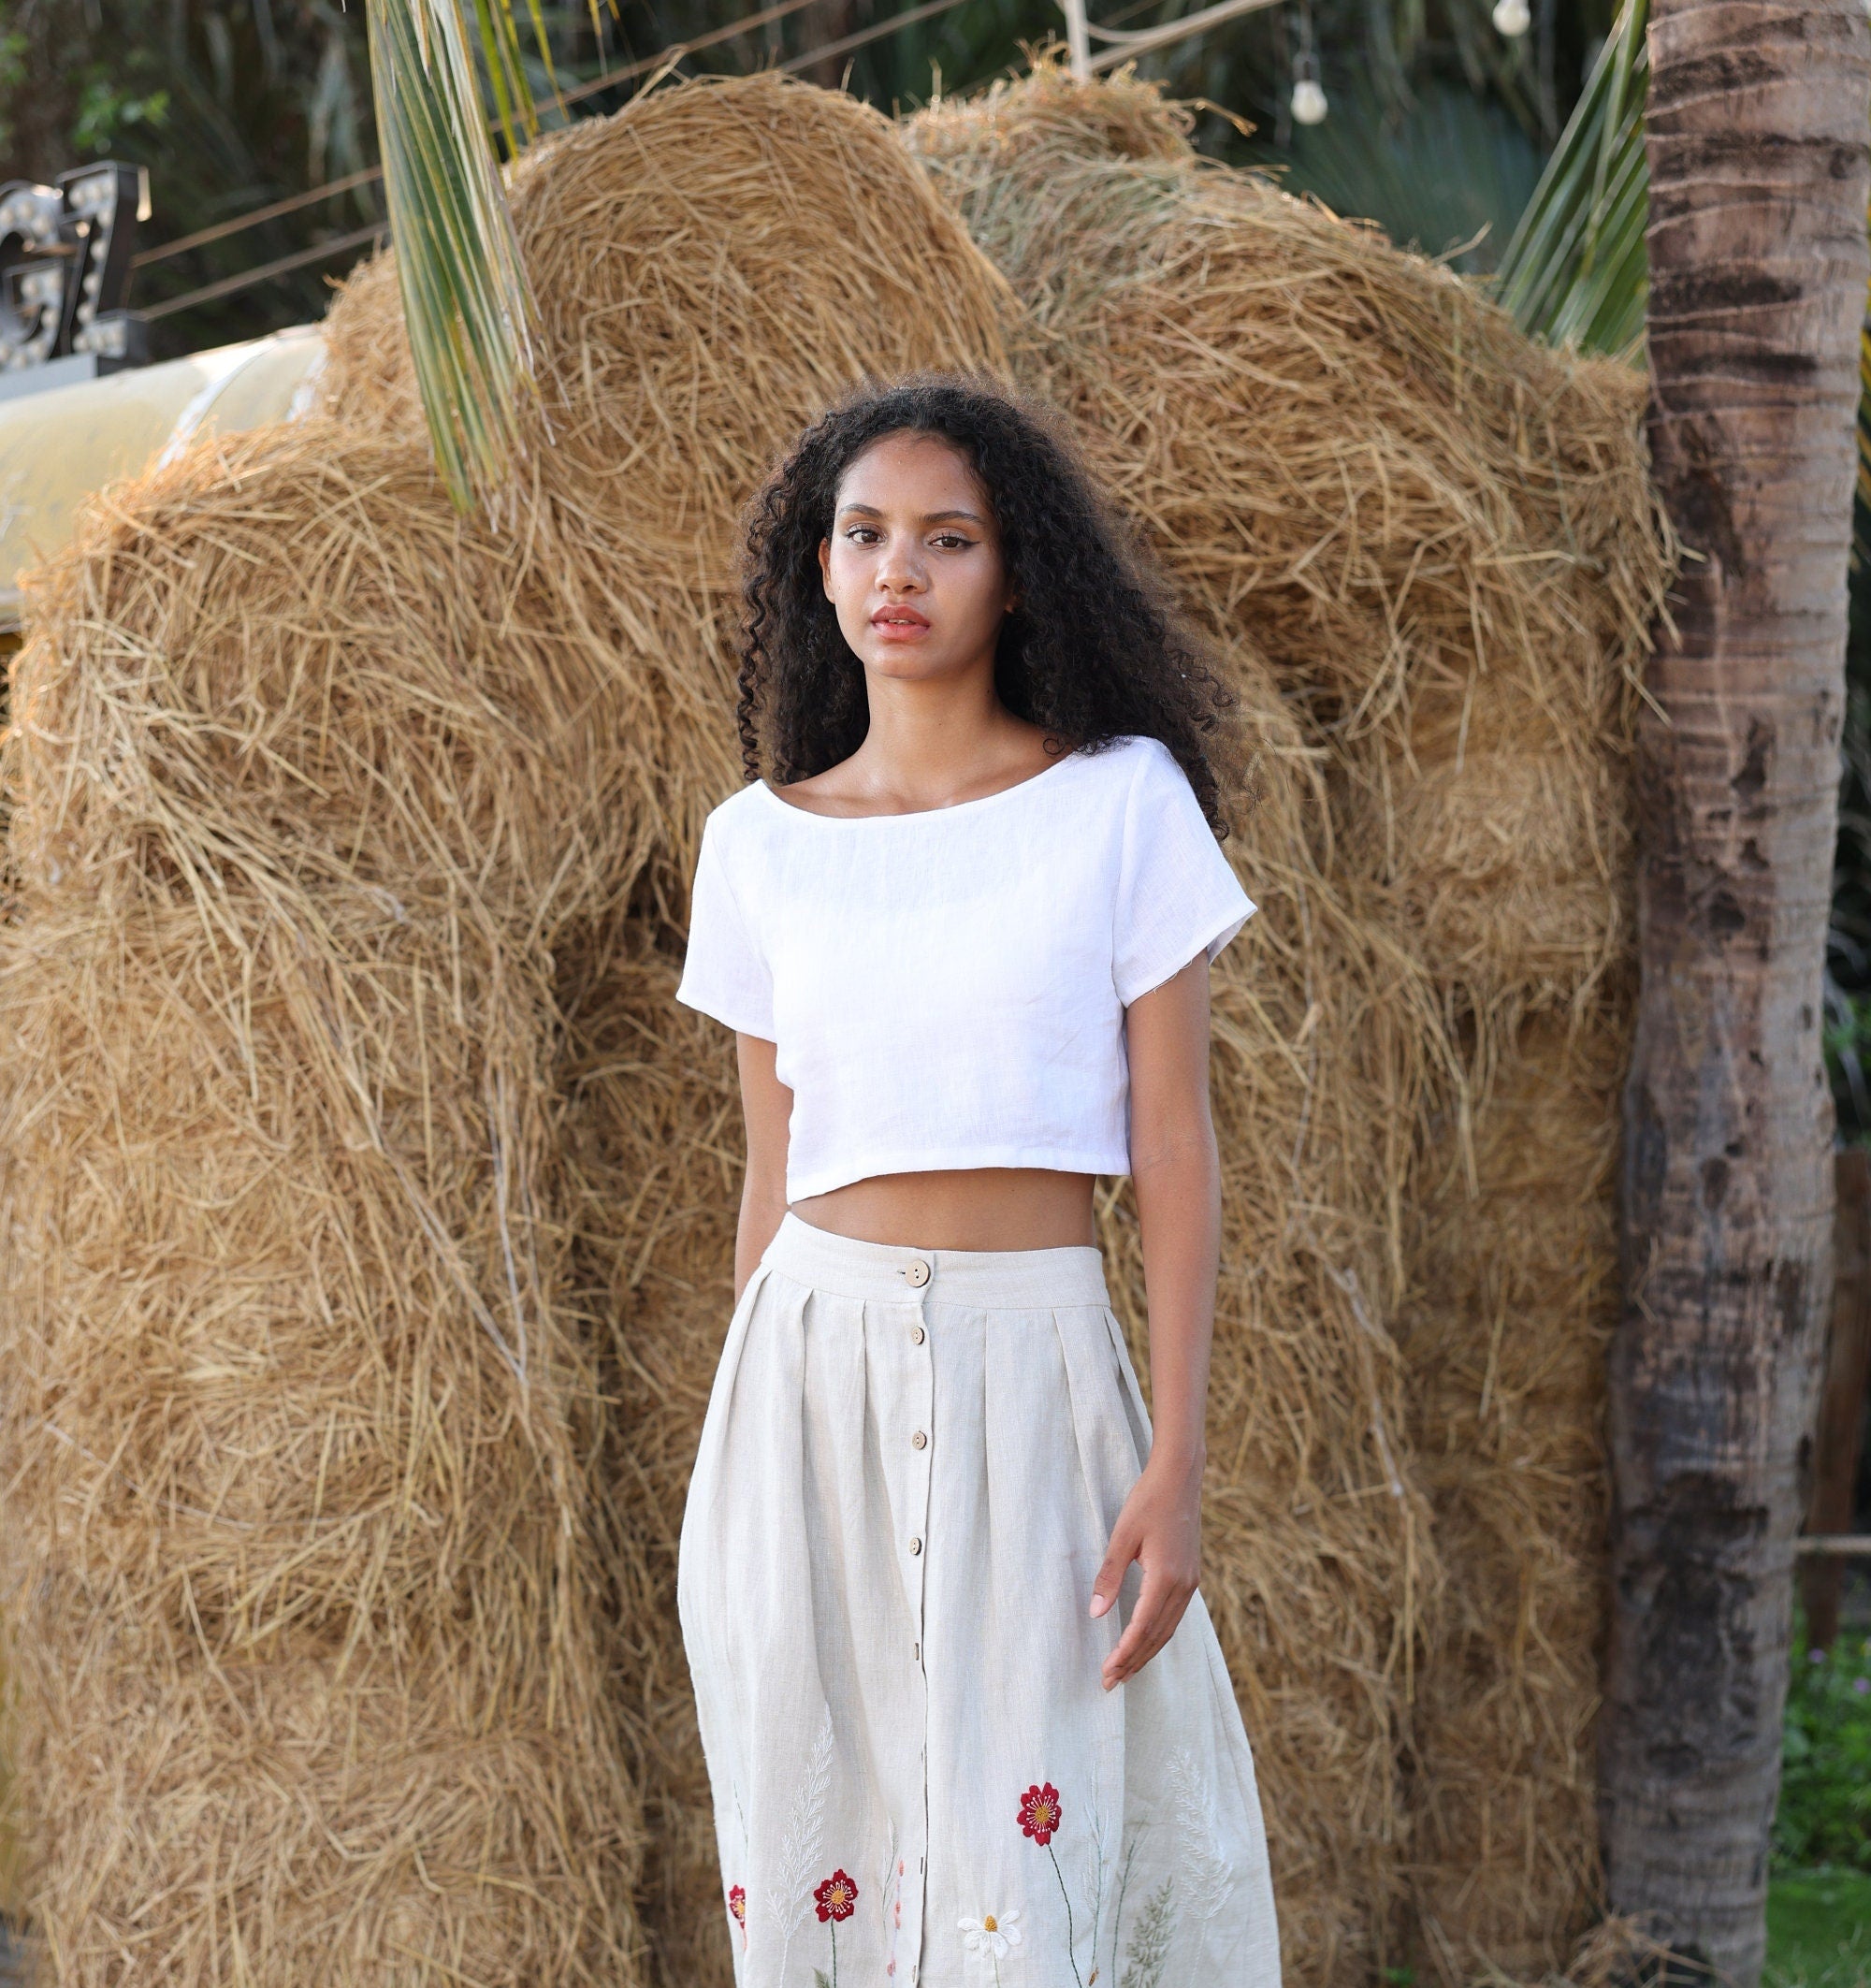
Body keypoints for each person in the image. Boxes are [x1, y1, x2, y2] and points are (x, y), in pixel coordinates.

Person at [674, 374, 1282, 1988]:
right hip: (806, 1386)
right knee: (836, 1857)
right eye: (865, 534)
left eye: (949, 538)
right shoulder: (757, 845)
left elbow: (1174, 1150)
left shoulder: (1120, 803)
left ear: (1016, 576)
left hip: (1041, 1378)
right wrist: (737, 1478)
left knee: (1037, 1868)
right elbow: (771, 1171)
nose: (901, 569)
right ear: (819, 569)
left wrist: (1177, 1458)